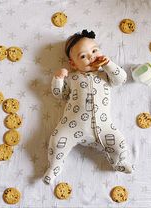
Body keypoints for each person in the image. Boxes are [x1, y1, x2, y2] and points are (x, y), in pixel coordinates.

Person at [43, 29, 133, 185]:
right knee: (57, 141)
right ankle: (54, 167)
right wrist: (58, 79)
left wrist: (108, 64)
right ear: (73, 64)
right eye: (83, 56)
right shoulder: (72, 78)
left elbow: (122, 79)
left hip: (104, 128)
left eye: (94, 51)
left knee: (120, 143)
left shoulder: (105, 75)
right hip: (72, 126)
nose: (91, 56)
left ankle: (119, 161)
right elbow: (60, 94)